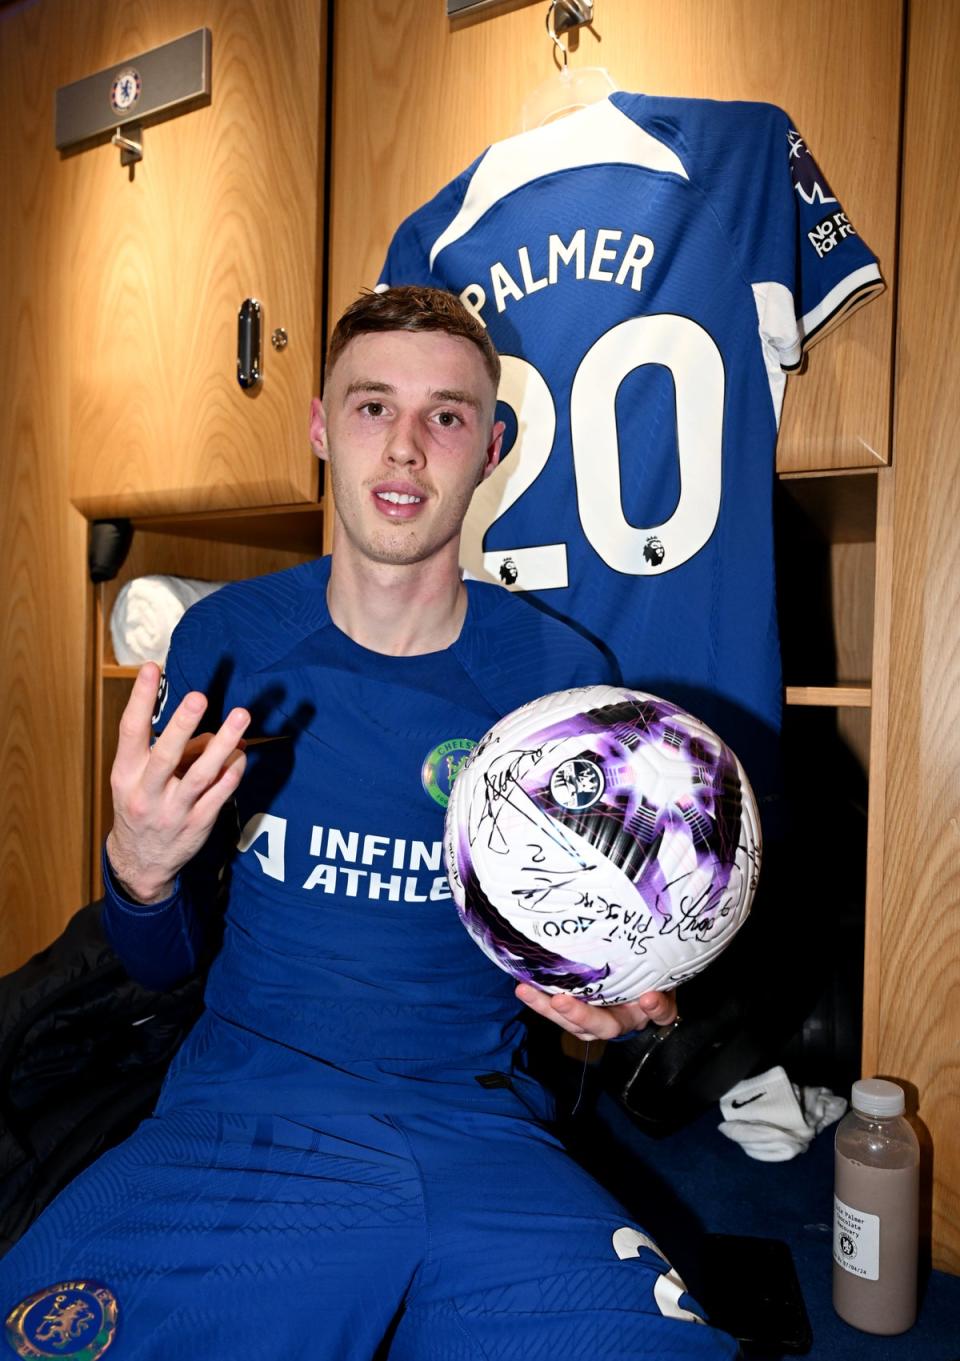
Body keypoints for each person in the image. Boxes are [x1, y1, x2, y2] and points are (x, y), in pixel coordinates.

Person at [0, 287, 736, 1360]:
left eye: (444, 415)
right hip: (238, 1122)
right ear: (317, 428)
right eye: (370, 406)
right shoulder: (226, 642)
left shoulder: (564, 683)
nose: (403, 448)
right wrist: (138, 873)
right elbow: (157, 967)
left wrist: (620, 1002)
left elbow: (603, 973)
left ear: (491, 445)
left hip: (485, 1135)